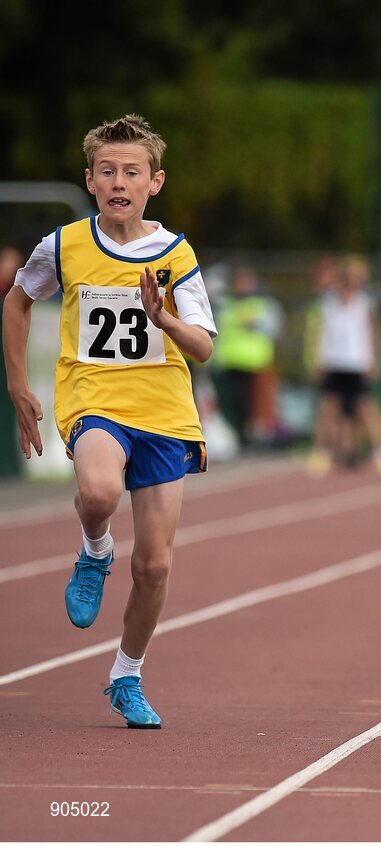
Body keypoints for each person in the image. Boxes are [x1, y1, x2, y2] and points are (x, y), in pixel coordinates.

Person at [2, 115, 217, 728]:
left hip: (166, 412)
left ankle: (127, 674)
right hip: (94, 400)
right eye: (107, 171)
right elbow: (18, 301)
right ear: (90, 181)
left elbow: (202, 347)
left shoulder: (177, 254)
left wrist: (165, 318)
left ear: (156, 182)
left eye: (132, 172)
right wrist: (18, 383)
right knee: (98, 491)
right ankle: (95, 550)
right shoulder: (64, 245)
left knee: (154, 565)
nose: (118, 181)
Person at [306, 254, 381, 479]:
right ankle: (322, 453)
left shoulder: (364, 303)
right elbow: (322, 333)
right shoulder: (327, 303)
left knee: (367, 408)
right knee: (329, 408)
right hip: (334, 362)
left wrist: (375, 359)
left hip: (357, 362)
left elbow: (373, 332)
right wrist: (317, 358)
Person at [210, 265, 283, 446]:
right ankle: (240, 438)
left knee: (254, 407)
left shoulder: (263, 305)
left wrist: (255, 323)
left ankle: (253, 439)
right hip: (229, 364)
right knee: (232, 405)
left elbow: (274, 330)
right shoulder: (226, 304)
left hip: (254, 363)